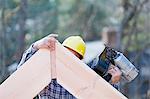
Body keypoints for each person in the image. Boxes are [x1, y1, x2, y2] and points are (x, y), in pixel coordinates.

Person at [18, 34, 121, 99]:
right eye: (65, 55)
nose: (67, 61)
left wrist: (113, 82)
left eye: (73, 58)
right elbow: (22, 74)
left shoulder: (84, 81)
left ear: (79, 61)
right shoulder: (48, 77)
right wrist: (36, 46)